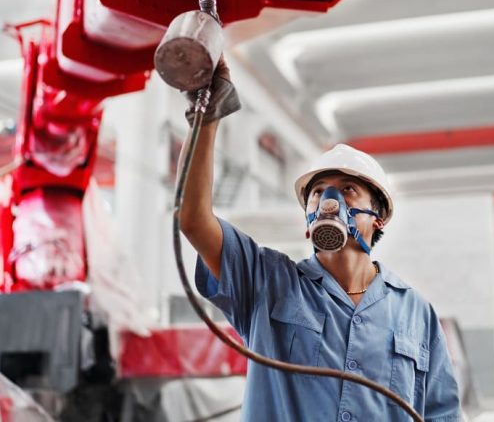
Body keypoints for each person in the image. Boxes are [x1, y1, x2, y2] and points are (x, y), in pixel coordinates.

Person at [179, 61, 461, 422]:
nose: (330, 202)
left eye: (347, 190)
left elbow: (443, 414)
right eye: (316, 193)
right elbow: (193, 219)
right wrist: (206, 116)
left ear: (379, 216)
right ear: (307, 224)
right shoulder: (267, 282)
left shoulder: (415, 313)